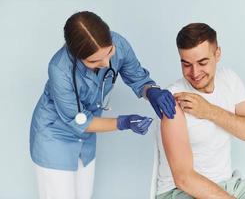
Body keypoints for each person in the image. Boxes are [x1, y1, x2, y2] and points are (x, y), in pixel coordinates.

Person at [30, 11, 176, 199]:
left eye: (109, 53)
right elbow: (80, 121)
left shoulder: (119, 44)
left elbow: (138, 78)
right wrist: (124, 122)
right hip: (55, 136)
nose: (106, 62)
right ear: (76, 55)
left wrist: (151, 91)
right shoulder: (59, 69)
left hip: (86, 141)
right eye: (94, 61)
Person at [156, 23, 245, 199]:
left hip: (229, 185)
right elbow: (184, 179)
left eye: (202, 62)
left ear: (217, 54)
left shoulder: (229, 80)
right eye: (186, 64)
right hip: (180, 193)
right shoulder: (173, 99)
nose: (194, 72)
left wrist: (209, 111)